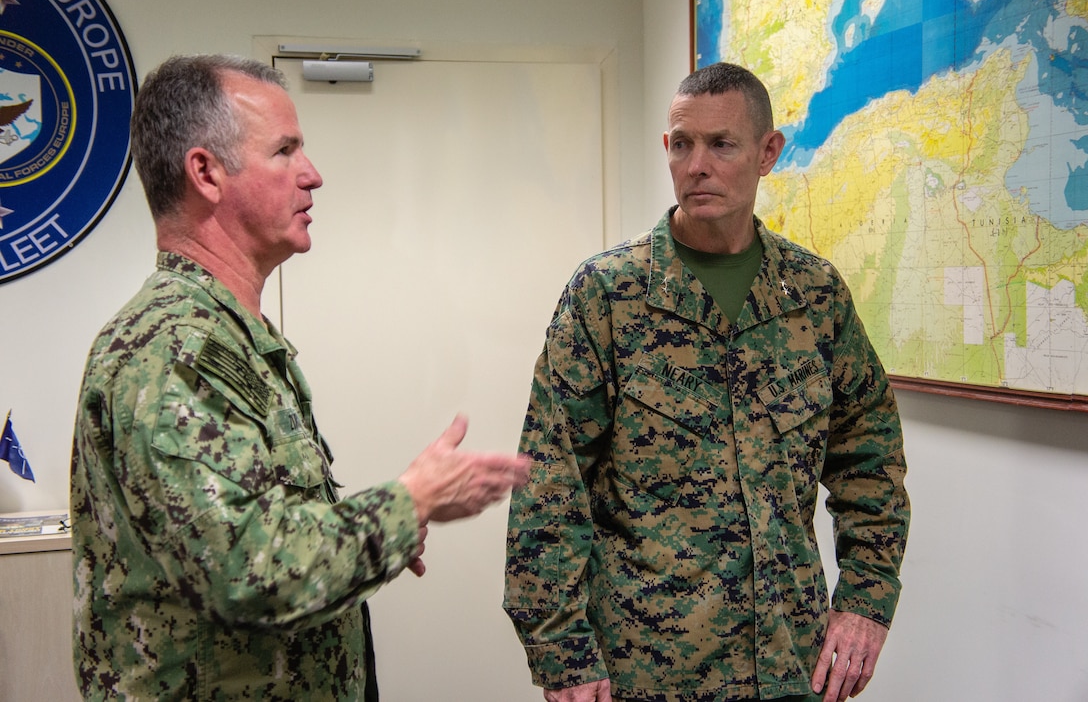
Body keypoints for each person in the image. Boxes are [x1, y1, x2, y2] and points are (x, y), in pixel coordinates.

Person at [70, 53, 530, 701]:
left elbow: (265, 527)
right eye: (284, 151)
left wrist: (379, 529)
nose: (312, 175)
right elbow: (250, 574)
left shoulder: (234, 338)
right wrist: (410, 501)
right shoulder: (174, 349)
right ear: (205, 172)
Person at [503, 62, 910, 702]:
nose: (698, 165)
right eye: (683, 144)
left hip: (789, 666)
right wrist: (564, 658)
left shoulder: (814, 296)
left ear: (766, 153)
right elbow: (549, 484)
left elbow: (871, 459)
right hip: (646, 672)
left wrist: (865, 602)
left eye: (722, 144)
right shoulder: (608, 296)